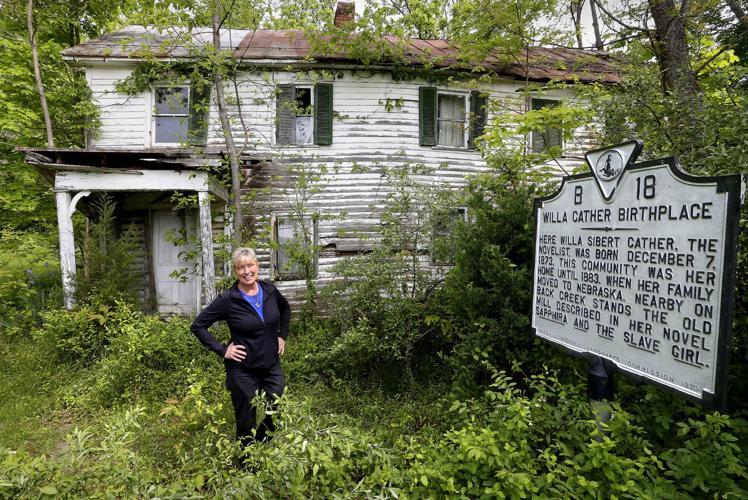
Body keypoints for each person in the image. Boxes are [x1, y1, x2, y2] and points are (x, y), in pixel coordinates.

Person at [191, 248, 290, 447]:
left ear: (257, 266)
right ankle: (246, 465)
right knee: (246, 420)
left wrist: (282, 336)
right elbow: (198, 325)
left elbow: (285, 309)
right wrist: (222, 350)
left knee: (278, 403)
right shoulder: (229, 299)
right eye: (241, 267)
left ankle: (261, 443)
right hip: (242, 370)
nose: (247, 271)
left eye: (250, 265)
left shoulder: (269, 290)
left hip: (270, 364)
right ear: (235, 271)